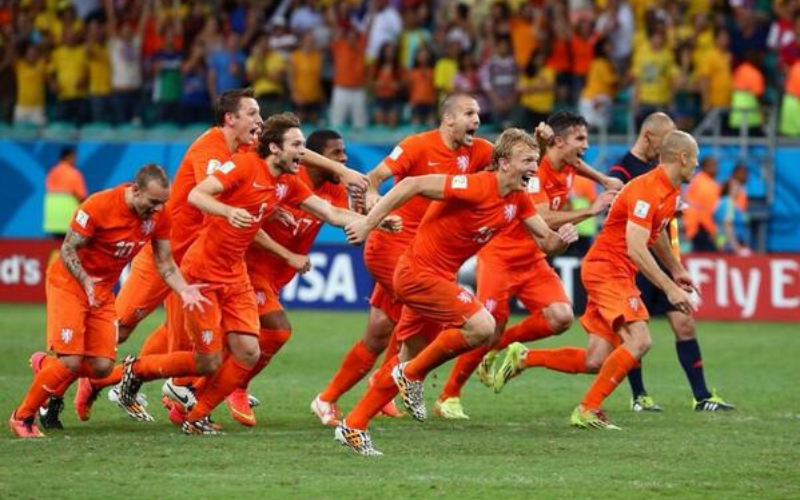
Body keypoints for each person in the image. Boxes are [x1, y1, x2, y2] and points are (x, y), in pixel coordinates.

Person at [334, 126, 578, 455]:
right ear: (504, 163)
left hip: (440, 279)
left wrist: (560, 241)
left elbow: (546, 242)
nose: (535, 167)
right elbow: (411, 183)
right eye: (527, 160)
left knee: (411, 355)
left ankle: (354, 425)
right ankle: (411, 374)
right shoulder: (476, 185)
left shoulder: (518, 200)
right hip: (417, 274)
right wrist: (368, 222)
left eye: (536, 160)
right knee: (483, 326)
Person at [311, 93, 493, 427]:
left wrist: (539, 144)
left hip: (424, 253)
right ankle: (393, 379)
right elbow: (377, 177)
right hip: (391, 245)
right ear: (448, 118)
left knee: (380, 331)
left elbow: (512, 162)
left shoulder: (479, 151)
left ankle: (330, 398)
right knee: (430, 319)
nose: (476, 120)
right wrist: (374, 202)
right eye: (469, 113)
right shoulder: (416, 146)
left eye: (478, 114)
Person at [435, 111, 620, 419]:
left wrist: (602, 179)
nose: (585, 145)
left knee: (561, 317)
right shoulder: (536, 172)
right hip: (500, 256)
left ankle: (504, 349)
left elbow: (575, 163)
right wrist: (591, 210)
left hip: (533, 259)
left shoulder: (568, 163)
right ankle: (448, 395)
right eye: (581, 139)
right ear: (558, 143)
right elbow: (543, 217)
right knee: (487, 328)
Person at [9, 164, 208, 438]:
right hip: (69, 284)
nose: (158, 209)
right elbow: (68, 248)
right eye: (153, 202)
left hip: (101, 292)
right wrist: (85, 280)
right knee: (70, 361)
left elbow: (165, 263)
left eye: (163, 202)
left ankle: (45, 366)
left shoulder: (159, 216)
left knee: (101, 368)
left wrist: (184, 289)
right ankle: (22, 417)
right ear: (135, 190)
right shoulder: (99, 205)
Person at [224, 129, 398, 426]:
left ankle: (183, 390)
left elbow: (341, 217)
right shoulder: (287, 180)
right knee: (276, 330)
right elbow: (249, 225)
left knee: (221, 340)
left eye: (344, 153)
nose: (343, 159)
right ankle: (234, 387)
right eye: (336, 154)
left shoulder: (332, 191)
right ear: (314, 159)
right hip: (250, 268)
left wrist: (375, 221)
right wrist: (287, 253)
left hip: (280, 275)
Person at [606, 113, 734, 412]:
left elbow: (655, 226)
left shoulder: (665, 174)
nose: (669, 149)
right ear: (649, 136)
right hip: (633, 263)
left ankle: (701, 396)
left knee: (685, 324)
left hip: (661, 259)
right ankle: (639, 396)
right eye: (666, 140)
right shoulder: (622, 170)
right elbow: (625, 221)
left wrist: (675, 265)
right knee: (634, 335)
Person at [44, 146, 88, 241]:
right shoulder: (74, 173)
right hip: (68, 218)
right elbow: (81, 196)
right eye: (74, 157)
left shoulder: (52, 172)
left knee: (55, 248)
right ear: (69, 157)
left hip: (53, 218)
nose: (75, 160)